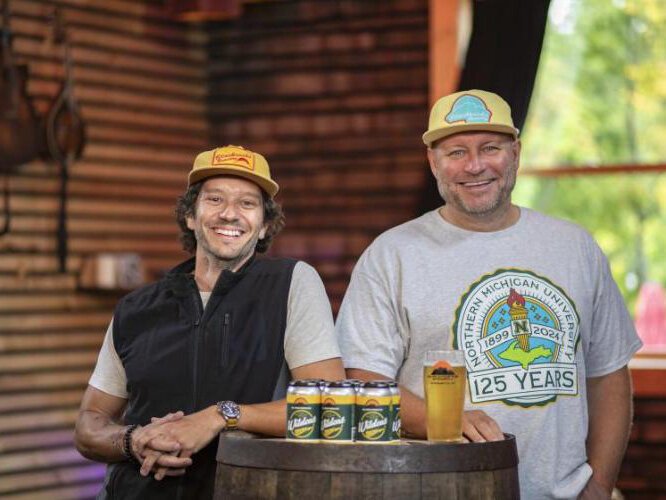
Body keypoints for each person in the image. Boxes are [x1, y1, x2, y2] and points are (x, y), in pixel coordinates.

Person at [335, 90, 642, 499]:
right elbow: (363, 382)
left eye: (490, 148)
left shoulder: (575, 248)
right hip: (437, 491)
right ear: (433, 162)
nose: (475, 165)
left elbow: (608, 376)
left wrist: (600, 483)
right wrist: (443, 420)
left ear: (515, 153)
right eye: (456, 152)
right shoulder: (392, 255)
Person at [75, 145, 345, 499]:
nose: (230, 214)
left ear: (264, 226)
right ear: (190, 215)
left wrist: (221, 416)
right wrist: (132, 440)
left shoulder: (290, 283)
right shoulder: (136, 308)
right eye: (215, 199)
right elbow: (88, 423)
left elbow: (329, 406)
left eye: (247, 203)